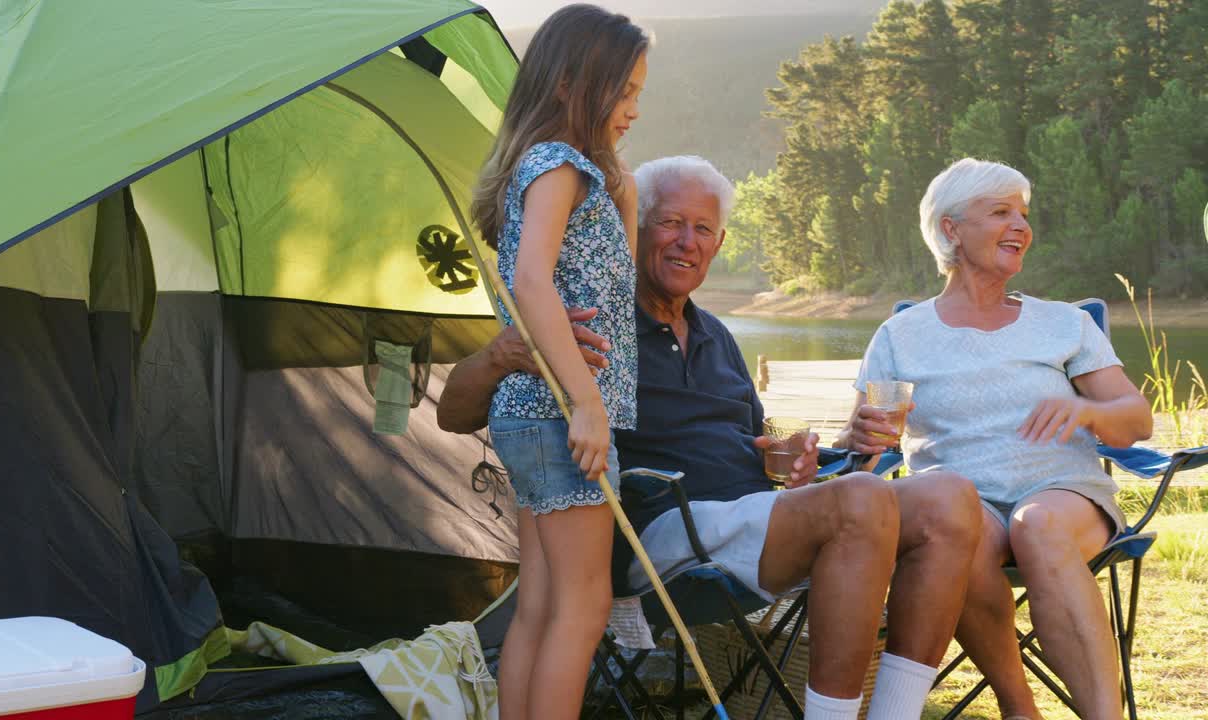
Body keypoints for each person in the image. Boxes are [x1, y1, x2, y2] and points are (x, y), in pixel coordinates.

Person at [442, 155, 984, 720]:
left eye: (702, 229)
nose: (687, 242)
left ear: (719, 244)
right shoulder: (597, 324)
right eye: (671, 223)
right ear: (635, 227)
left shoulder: (716, 335)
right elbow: (453, 413)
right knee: (864, 499)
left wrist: (795, 456)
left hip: (749, 521)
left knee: (949, 497)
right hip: (662, 534)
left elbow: (753, 444)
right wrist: (502, 354)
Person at [842, 158, 1153, 720]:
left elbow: (1135, 419)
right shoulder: (900, 335)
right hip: (960, 504)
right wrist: (860, 431)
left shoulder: (1063, 323)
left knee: (1037, 525)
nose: (1021, 227)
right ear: (951, 230)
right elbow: (863, 435)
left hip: (1062, 493)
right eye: (1000, 212)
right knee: (961, 535)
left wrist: (1084, 409)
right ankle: (1019, 708)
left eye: (1024, 215)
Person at [467, 5, 648, 720]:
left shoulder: (568, 169)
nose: (635, 108)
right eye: (624, 91)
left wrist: (624, 187)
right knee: (585, 603)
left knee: (541, 605)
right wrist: (587, 402)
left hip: (531, 415)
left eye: (640, 93)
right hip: (557, 414)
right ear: (574, 83)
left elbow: (613, 285)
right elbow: (532, 282)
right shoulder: (559, 164)